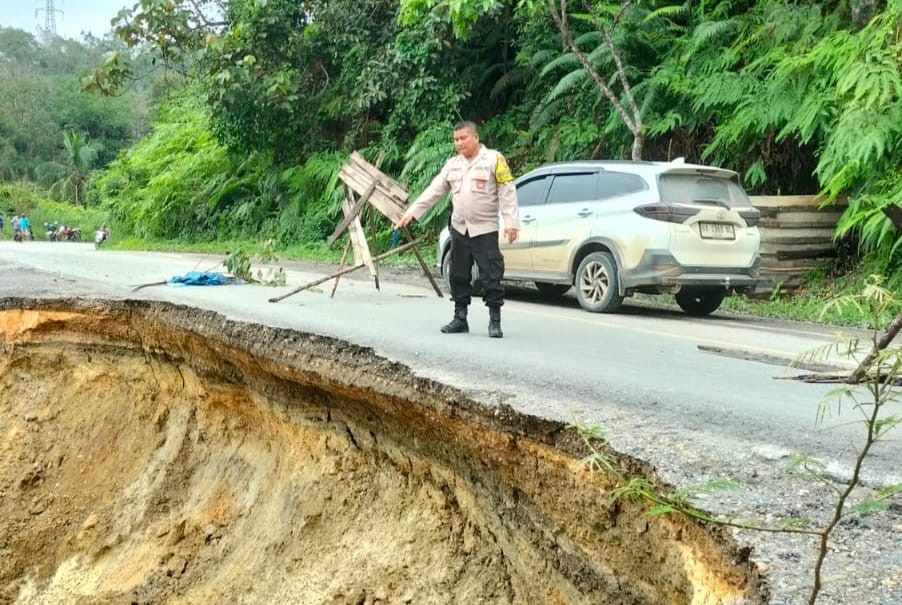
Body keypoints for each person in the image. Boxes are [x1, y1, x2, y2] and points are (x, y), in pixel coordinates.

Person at [395, 121, 519, 338]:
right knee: (458, 274)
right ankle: (460, 318)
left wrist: (511, 223)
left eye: (463, 138)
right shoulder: (453, 164)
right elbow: (434, 190)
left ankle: (494, 320)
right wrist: (412, 212)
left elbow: (507, 192)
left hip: (484, 229)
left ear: (475, 138)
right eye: (456, 139)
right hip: (460, 228)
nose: (459, 143)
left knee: (491, 274)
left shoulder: (493, 160)